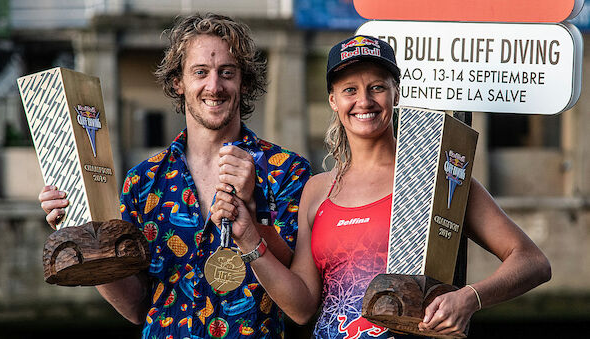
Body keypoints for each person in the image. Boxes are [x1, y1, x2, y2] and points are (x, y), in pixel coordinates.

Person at [212, 35, 552, 338]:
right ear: (333, 100)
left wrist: (469, 298)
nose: (364, 101)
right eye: (350, 90)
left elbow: (532, 261)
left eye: (377, 87)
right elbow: (301, 307)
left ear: (395, 93)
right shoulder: (318, 191)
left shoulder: (433, 175)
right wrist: (249, 238)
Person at [39, 13, 311, 338]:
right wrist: (83, 237)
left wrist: (252, 215)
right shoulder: (142, 181)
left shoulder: (286, 170)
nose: (214, 85)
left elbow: (300, 300)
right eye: (200, 72)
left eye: (227, 72)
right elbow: (137, 306)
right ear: (177, 83)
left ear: (244, 82)